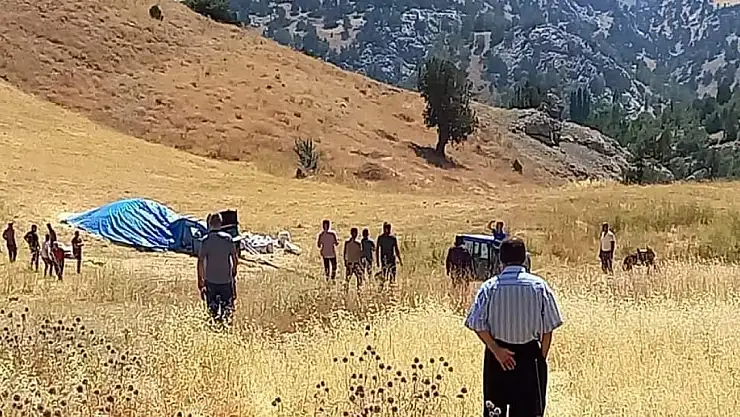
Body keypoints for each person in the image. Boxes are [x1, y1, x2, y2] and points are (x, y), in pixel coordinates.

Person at [464, 238, 563, 417]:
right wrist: (540, 358)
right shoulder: (539, 286)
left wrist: (496, 350)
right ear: (524, 258)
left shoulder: (489, 287)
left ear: (501, 258)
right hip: (529, 356)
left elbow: (476, 323)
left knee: (495, 411)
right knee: (529, 412)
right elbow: (548, 328)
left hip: (497, 357)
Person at [198, 213, 239, 323]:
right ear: (221, 223)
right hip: (226, 280)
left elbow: (200, 262)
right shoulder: (228, 239)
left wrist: (200, 280)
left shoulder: (205, 241)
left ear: (210, 224)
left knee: (212, 312)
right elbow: (235, 258)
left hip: (211, 281)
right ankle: (227, 328)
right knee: (228, 310)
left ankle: (214, 327)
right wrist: (233, 272)